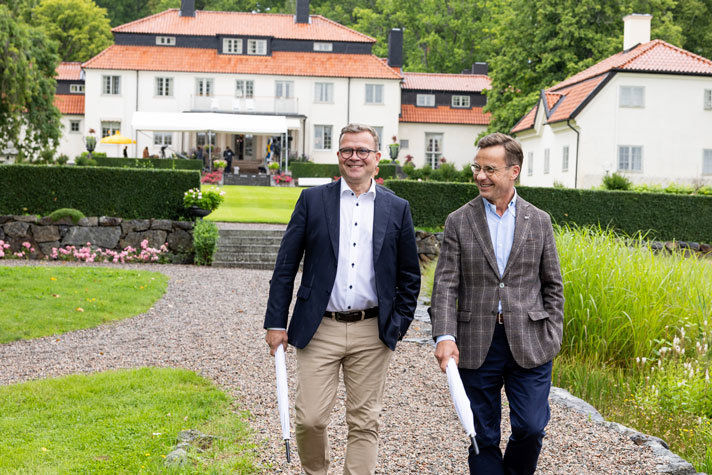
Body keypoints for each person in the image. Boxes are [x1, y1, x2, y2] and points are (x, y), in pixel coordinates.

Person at [264, 123, 421, 475]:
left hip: (372, 330)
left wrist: (397, 326)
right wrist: (276, 321)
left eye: (363, 150)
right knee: (310, 419)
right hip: (319, 327)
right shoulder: (312, 200)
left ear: (377, 159)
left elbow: (410, 276)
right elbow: (286, 264)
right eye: (348, 150)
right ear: (338, 157)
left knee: (365, 422)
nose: (355, 157)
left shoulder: (397, 208)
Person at [430, 132, 564, 475]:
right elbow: (445, 284)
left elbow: (553, 284)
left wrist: (553, 332)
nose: (480, 175)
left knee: (531, 428)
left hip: (531, 341)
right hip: (475, 343)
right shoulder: (459, 220)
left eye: (489, 168)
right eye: (477, 167)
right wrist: (445, 335)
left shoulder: (540, 220)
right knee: (482, 435)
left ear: (513, 172)